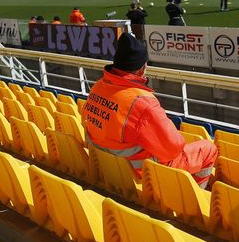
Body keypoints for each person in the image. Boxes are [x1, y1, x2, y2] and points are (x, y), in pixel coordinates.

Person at [83, 33, 218, 187]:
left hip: (108, 166)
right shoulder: (142, 102)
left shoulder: (97, 87)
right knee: (209, 149)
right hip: (141, 173)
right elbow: (173, 148)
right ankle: (197, 196)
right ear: (142, 68)